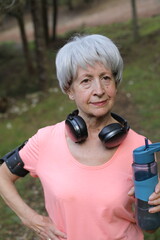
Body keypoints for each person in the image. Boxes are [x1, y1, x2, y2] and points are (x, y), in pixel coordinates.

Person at [0, 34, 160, 240]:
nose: (99, 90)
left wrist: (155, 203)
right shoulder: (45, 140)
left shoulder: (139, 147)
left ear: (115, 83)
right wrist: (31, 219)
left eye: (105, 78)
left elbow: (150, 228)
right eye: (86, 81)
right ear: (69, 90)